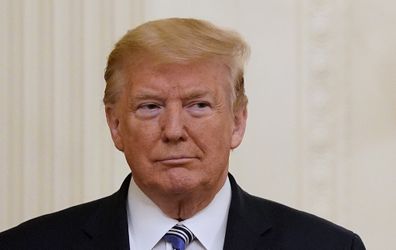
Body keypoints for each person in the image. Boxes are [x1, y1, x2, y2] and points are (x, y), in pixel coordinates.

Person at [0, 18, 365, 250]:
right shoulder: (27, 245)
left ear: (237, 122)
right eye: (150, 107)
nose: (173, 131)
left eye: (198, 106)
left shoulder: (327, 246)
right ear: (115, 125)